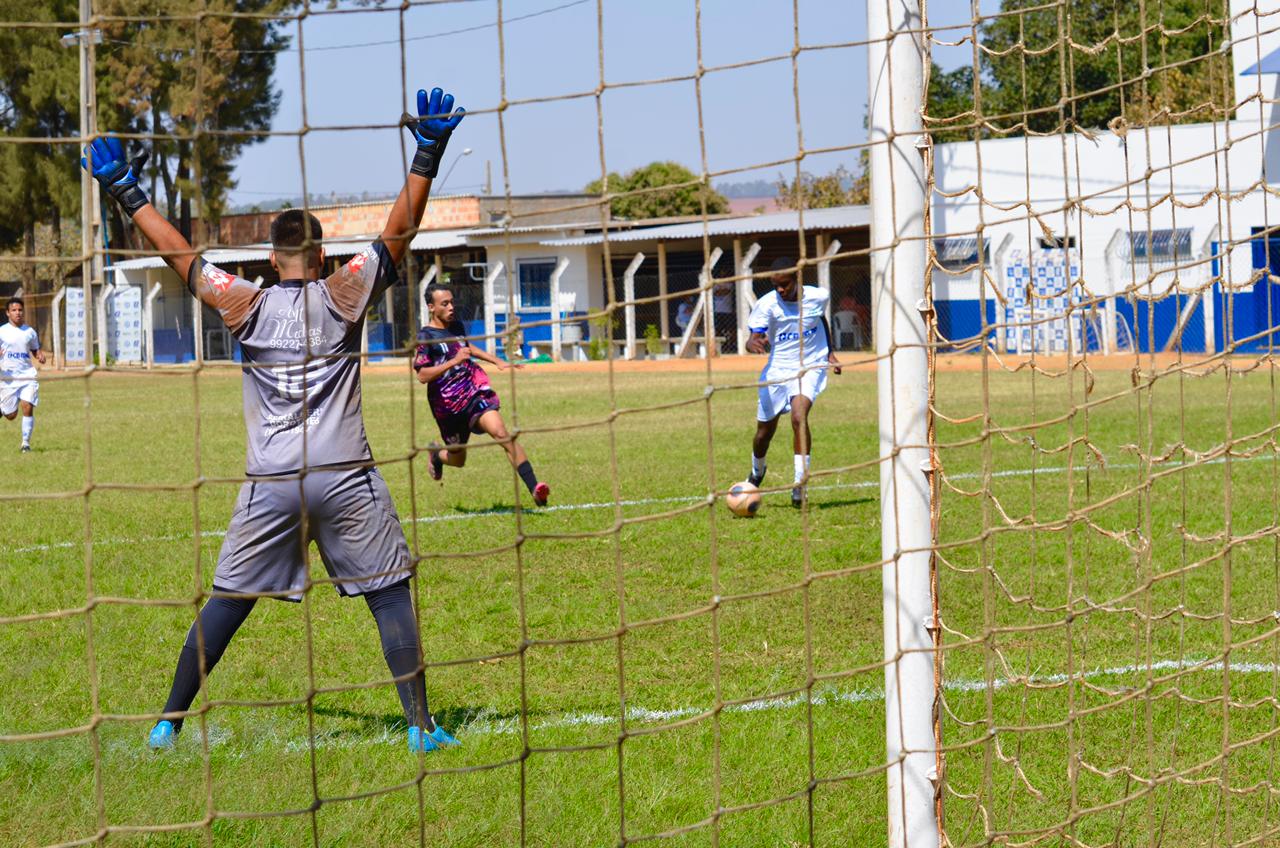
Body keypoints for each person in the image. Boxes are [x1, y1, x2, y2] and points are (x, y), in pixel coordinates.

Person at [84, 86, 466, 754]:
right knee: (390, 593)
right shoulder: (346, 290)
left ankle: (167, 723)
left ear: (270, 260)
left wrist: (125, 189)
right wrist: (427, 154)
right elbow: (397, 233)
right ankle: (421, 728)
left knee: (229, 601)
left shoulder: (245, 304)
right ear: (320, 258)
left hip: (271, 483)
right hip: (345, 475)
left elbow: (182, 258)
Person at [414, 283, 550, 507]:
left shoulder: (456, 326)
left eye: (452, 302)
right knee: (458, 459)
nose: (451, 307)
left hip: (473, 392)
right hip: (447, 407)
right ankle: (437, 456)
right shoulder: (425, 337)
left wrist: (496, 360)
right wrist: (453, 361)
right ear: (431, 307)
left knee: (502, 433)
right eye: (444, 303)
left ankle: (535, 489)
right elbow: (422, 376)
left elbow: (467, 349)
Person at [744, 257, 842, 508]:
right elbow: (753, 336)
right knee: (763, 433)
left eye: (784, 284)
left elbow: (819, 318)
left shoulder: (818, 296)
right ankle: (757, 470)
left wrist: (829, 352)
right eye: (776, 285)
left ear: (797, 279)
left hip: (810, 365)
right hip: (777, 371)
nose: (780, 289)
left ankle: (800, 484)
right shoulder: (767, 305)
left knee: (799, 416)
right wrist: (752, 343)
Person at [0, 296, 46, 453]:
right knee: (11, 415)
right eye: (14, 310)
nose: (17, 313)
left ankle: (25, 444)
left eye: (20, 310)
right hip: (8, 378)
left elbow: (34, 348)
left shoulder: (30, 332)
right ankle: (3, 410)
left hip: (27, 375)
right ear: (7, 313)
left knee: (27, 406)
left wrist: (39, 355)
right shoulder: (1, 332)